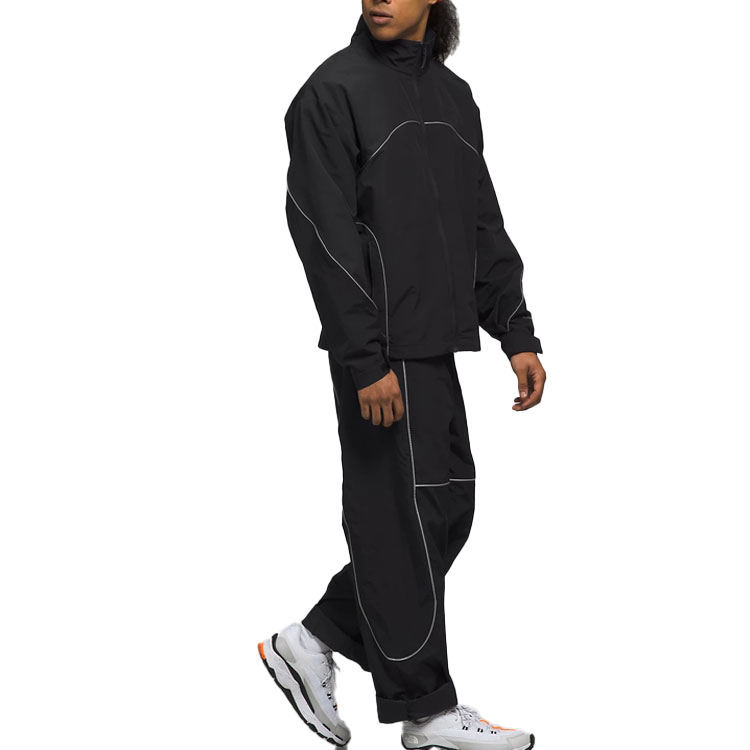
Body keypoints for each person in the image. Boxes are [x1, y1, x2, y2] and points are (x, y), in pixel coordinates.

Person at [259, 2, 546, 748]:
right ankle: (427, 710)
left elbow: (480, 220)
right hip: (380, 353)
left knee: (444, 514)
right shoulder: (332, 92)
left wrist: (514, 329)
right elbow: (321, 232)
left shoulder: (453, 97)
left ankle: (313, 638)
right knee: (401, 524)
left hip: (437, 344)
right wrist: (365, 358)